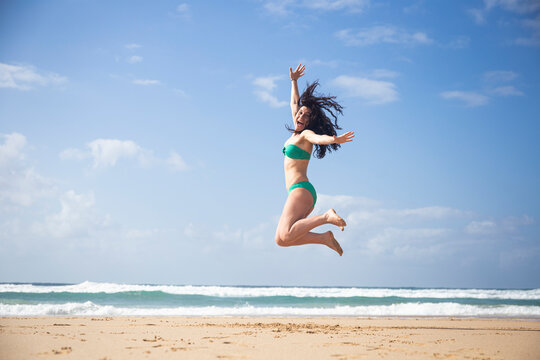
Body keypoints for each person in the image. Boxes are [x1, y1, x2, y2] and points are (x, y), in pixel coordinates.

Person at [275, 64, 354, 256]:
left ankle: (327, 216)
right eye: (300, 113)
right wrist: (294, 81)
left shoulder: (306, 135)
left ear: (310, 121)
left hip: (301, 190)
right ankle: (323, 238)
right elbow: (294, 102)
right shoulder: (296, 130)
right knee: (282, 240)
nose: (300, 116)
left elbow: (318, 139)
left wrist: (334, 140)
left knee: (285, 234)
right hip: (300, 193)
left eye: (305, 115)